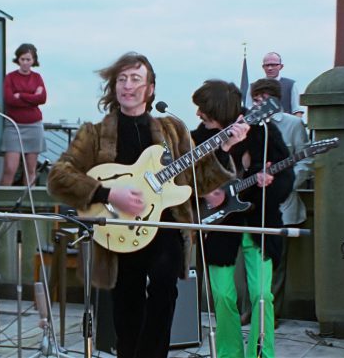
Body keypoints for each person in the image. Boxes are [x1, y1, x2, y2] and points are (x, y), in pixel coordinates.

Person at [47, 53, 249, 358]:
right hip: (117, 228)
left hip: (164, 227)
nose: (128, 86)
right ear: (114, 87)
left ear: (151, 88)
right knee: (126, 304)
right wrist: (107, 194)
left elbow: (197, 182)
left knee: (164, 290)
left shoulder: (172, 131)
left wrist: (224, 149)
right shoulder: (95, 133)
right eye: (122, 79)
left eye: (136, 79)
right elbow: (58, 177)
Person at [192, 80, 294, 358]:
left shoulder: (265, 132)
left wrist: (269, 182)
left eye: (204, 109)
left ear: (221, 110)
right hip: (220, 224)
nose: (199, 114)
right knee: (223, 295)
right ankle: (229, 354)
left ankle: (261, 354)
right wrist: (208, 189)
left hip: (260, 223)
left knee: (263, 295)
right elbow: (191, 178)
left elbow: (287, 177)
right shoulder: (200, 137)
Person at [240, 78, 312, 325]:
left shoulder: (292, 125)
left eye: (263, 99)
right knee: (250, 262)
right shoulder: (247, 127)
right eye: (256, 99)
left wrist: (286, 184)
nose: (258, 104)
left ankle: (271, 313)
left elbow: (306, 161)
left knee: (276, 263)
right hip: (251, 206)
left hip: (283, 207)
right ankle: (248, 310)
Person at [0, 43, 47, 186]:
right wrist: (32, 97)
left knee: (30, 169)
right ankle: (2, 203)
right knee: (10, 169)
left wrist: (20, 95)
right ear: (18, 60)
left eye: (28, 59)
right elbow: (9, 100)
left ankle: (28, 203)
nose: (25, 62)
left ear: (33, 60)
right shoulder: (10, 77)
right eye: (22, 59)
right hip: (14, 126)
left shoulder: (37, 77)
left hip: (34, 126)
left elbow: (42, 98)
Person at [245, 52, 306, 118]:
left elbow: (297, 111)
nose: (270, 68)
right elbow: (248, 111)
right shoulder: (253, 86)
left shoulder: (291, 85)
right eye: (267, 65)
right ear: (263, 67)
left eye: (273, 65)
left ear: (281, 66)